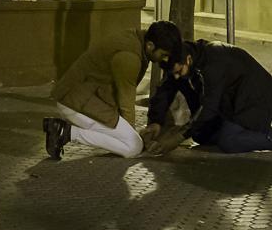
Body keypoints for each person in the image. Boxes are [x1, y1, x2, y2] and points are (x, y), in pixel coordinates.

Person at [142, 39, 272, 155]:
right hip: (230, 103)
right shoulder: (182, 62)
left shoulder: (213, 60)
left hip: (254, 99)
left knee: (230, 142)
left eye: (179, 72)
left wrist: (179, 136)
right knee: (201, 134)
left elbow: (210, 105)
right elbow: (166, 89)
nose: (177, 76)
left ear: (188, 60)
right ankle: (239, 134)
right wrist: (155, 122)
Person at [41, 20, 182, 160]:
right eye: (163, 54)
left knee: (132, 140)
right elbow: (126, 101)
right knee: (133, 147)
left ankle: (63, 131)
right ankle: (65, 132)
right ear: (150, 45)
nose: (165, 59)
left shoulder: (137, 41)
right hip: (76, 103)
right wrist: (131, 133)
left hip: (85, 99)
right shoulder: (129, 57)